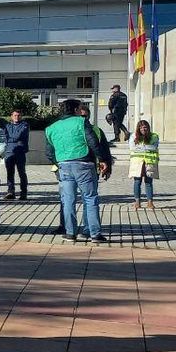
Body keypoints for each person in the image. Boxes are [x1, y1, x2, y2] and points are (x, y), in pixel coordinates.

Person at [46, 98, 112, 243]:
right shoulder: (81, 122)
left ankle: (70, 233)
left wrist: (58, 163)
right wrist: (102, 160)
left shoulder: (51, 127)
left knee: (68, 200)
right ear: (76, 110)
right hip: (84, 164)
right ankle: (95, 234)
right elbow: (92, 142)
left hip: (64, 165)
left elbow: (49, 152)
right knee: (90, 198)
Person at [129, 120, 159, 210]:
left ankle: (150, 203)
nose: (143, 129)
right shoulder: (133, 136)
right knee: (137, 182)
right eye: (141, 127)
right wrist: (146, 148)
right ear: (138, 128)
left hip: (149, 162)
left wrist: (140, 148)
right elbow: (132, 148)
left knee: (148, 182)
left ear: (148, 128)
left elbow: (154, 147)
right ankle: (137, 202)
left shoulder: (154, 136)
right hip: (137, 162)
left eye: (145, 127)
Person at [3, 109, 30, 201]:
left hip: (20, 152)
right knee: (10, 173)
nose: (17, 117)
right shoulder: (7, 125)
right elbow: (5, 137)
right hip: (9, 152)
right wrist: (11, 139)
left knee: (21, 173)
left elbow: (17, 136)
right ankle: (11, 192)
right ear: (11, 116)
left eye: (18, 115)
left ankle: (23, 193)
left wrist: (10, 138)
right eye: (15, 115)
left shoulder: (25, 125)